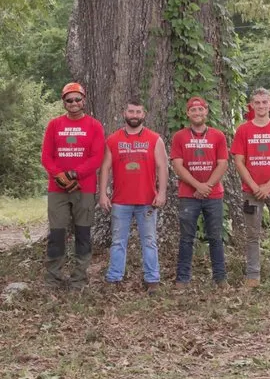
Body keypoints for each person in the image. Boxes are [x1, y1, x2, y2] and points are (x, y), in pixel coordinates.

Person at [98, 100, 167, 292]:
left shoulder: (155, 139)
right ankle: (114, 278)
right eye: (131, 111)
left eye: (138, 111)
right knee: (118, 241)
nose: (134, 115)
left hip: (147, 200)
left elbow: (163, 167)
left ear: (144, 114)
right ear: (124, 113)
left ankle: (152, 279)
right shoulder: (113, 139)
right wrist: (102, 194)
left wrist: (162, 192)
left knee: (149, 241)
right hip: (120, 201)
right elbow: (105, 168)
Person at [40, 82, 105, 289]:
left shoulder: (94, 125)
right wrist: (60, 176)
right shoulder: (54, 125)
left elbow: (97, 157)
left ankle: (79, 279)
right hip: (57, 189)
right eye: (69, 100)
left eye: (77, 99)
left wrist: (74, 174)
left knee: (83, 234)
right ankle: (53, 278)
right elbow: (46, 156)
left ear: (84, 100)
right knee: (57, 234)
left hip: (84, 188)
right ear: (64, 102)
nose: (74, 103)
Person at [231, 88, 270, 289]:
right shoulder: (243, 130)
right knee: (252, 234)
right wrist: (254, 186)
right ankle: (253, 275)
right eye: (257, 102)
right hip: (251, 191)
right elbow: (239, 162)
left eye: (264, 102)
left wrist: (268, 185)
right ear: (251, 105)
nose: (260, 106)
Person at [171, 96, 228, 286]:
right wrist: (197, 186)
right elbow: (178, 166)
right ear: (188, 113)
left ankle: (220, 278)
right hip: (188, 196)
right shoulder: (179, 137)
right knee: (186, 238)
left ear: (206, 112)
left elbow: (222, 164)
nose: (197, 113)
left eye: (200, 109)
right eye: (193, 110)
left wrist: (207, 187)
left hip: (214, 195)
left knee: (216, 237)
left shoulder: (218, 136)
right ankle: (183, 278)